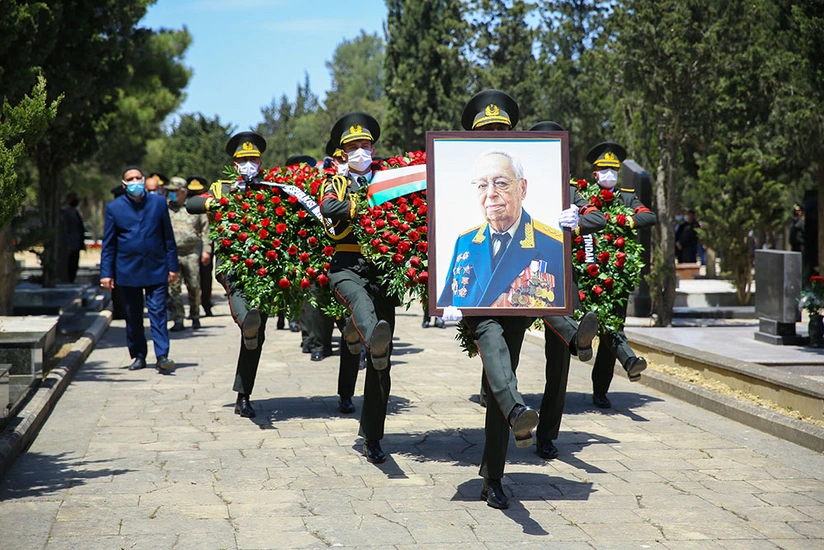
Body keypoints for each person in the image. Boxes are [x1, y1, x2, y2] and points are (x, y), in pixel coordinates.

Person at [444, 89, 557, 510]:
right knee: (492, 349)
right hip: (481, 304)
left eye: (501, 130)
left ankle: (497, 462)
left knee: (497, 381)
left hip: (524, 305)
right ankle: (498, 466)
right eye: (485, 130)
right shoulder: (463, 231)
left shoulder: (538, 222)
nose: (492, 191)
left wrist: (571, 225)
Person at [320, 112, 396, 462]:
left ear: (374, 148)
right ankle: (371, 336)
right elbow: (329, 206)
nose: (360, 152)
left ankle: (372, 436)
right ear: (342, 153)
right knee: (363, 309)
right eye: (353, 147)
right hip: (346, 264)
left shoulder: (389, 181)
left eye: (365, 145)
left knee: (383, 365)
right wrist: (366, 205)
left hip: (381, 270)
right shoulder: (335, 181)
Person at [528, 121, 604, 461]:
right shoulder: (515, 184)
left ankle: (547, 435)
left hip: (557, 277)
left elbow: (598, 218)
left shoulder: (568, 190)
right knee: (504, 352)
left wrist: (578, 217)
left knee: (557, 365)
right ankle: (503, 415)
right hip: (517, 273)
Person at [186, 131, 270, 418]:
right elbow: (192, 204)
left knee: (256, 334)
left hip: (264, 267)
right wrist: (218, 203)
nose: (248, 163)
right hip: (232, 264)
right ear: (234, 164)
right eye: (243, 159)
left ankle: (243, 396)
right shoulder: (222, 188)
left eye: (253, 159)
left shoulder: (272, 188)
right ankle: (246, 322)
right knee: (244, 307)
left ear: (260, 162)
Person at [437, 149, 565, 309]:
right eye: (482, 185)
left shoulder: (554, 245)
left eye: (501, 183)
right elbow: (447, 302)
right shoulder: (465, 241)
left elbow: (563, 318)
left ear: (522, 189)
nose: (490, 193)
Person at [585, 142, 657, 409]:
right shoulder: (584, 195)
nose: (609, 175)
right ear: (595, 173)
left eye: (613, 170)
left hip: (616, 276)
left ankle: (600, 390)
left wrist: (627, 220)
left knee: (611, 331)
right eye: (604, 170)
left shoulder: (626, 197)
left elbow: (648, 216)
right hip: (587, 274)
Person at [100, 166, 178, 374]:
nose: (135, 181)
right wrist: (106, 273)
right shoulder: (114, 208)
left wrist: (173, 266)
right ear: (124, 183)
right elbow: (108, 244)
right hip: (128, 269)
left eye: (138, 177)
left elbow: (168, 238)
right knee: (133, 315)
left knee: (158, 311)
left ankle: (162, 355)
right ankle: (138, 355)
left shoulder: (159, 203)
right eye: (130, 178)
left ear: (143, 180)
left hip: (156, 267)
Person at [166, 177, 210, 332]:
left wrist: (206, 250)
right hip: (172, 253)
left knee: (194, 285)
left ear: (183, 191)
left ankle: (195, 316)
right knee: (174, 287)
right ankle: (178, 318)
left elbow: (206, 230)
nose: (171, 194)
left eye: (174, 191)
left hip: (191, 252)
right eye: (169, 191)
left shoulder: (194, 207)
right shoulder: (166, 208)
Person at [186, 175, 215, 317]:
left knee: (205, 278)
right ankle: (194, 307)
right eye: (192, 193)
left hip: (203, 246)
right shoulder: (185, 206)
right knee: (192, 280)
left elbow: (207, 230)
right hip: (187, 249)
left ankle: (206, 303)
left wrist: (207, 250)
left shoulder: (207, 206)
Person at [59, 191, 86, 283]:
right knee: (69, 265)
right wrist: (67, 244)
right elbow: (65, 229)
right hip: (70, 244)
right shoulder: (65, 212)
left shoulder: (75, 212)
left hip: (76, 244)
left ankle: (71, 279)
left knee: (74, 265)